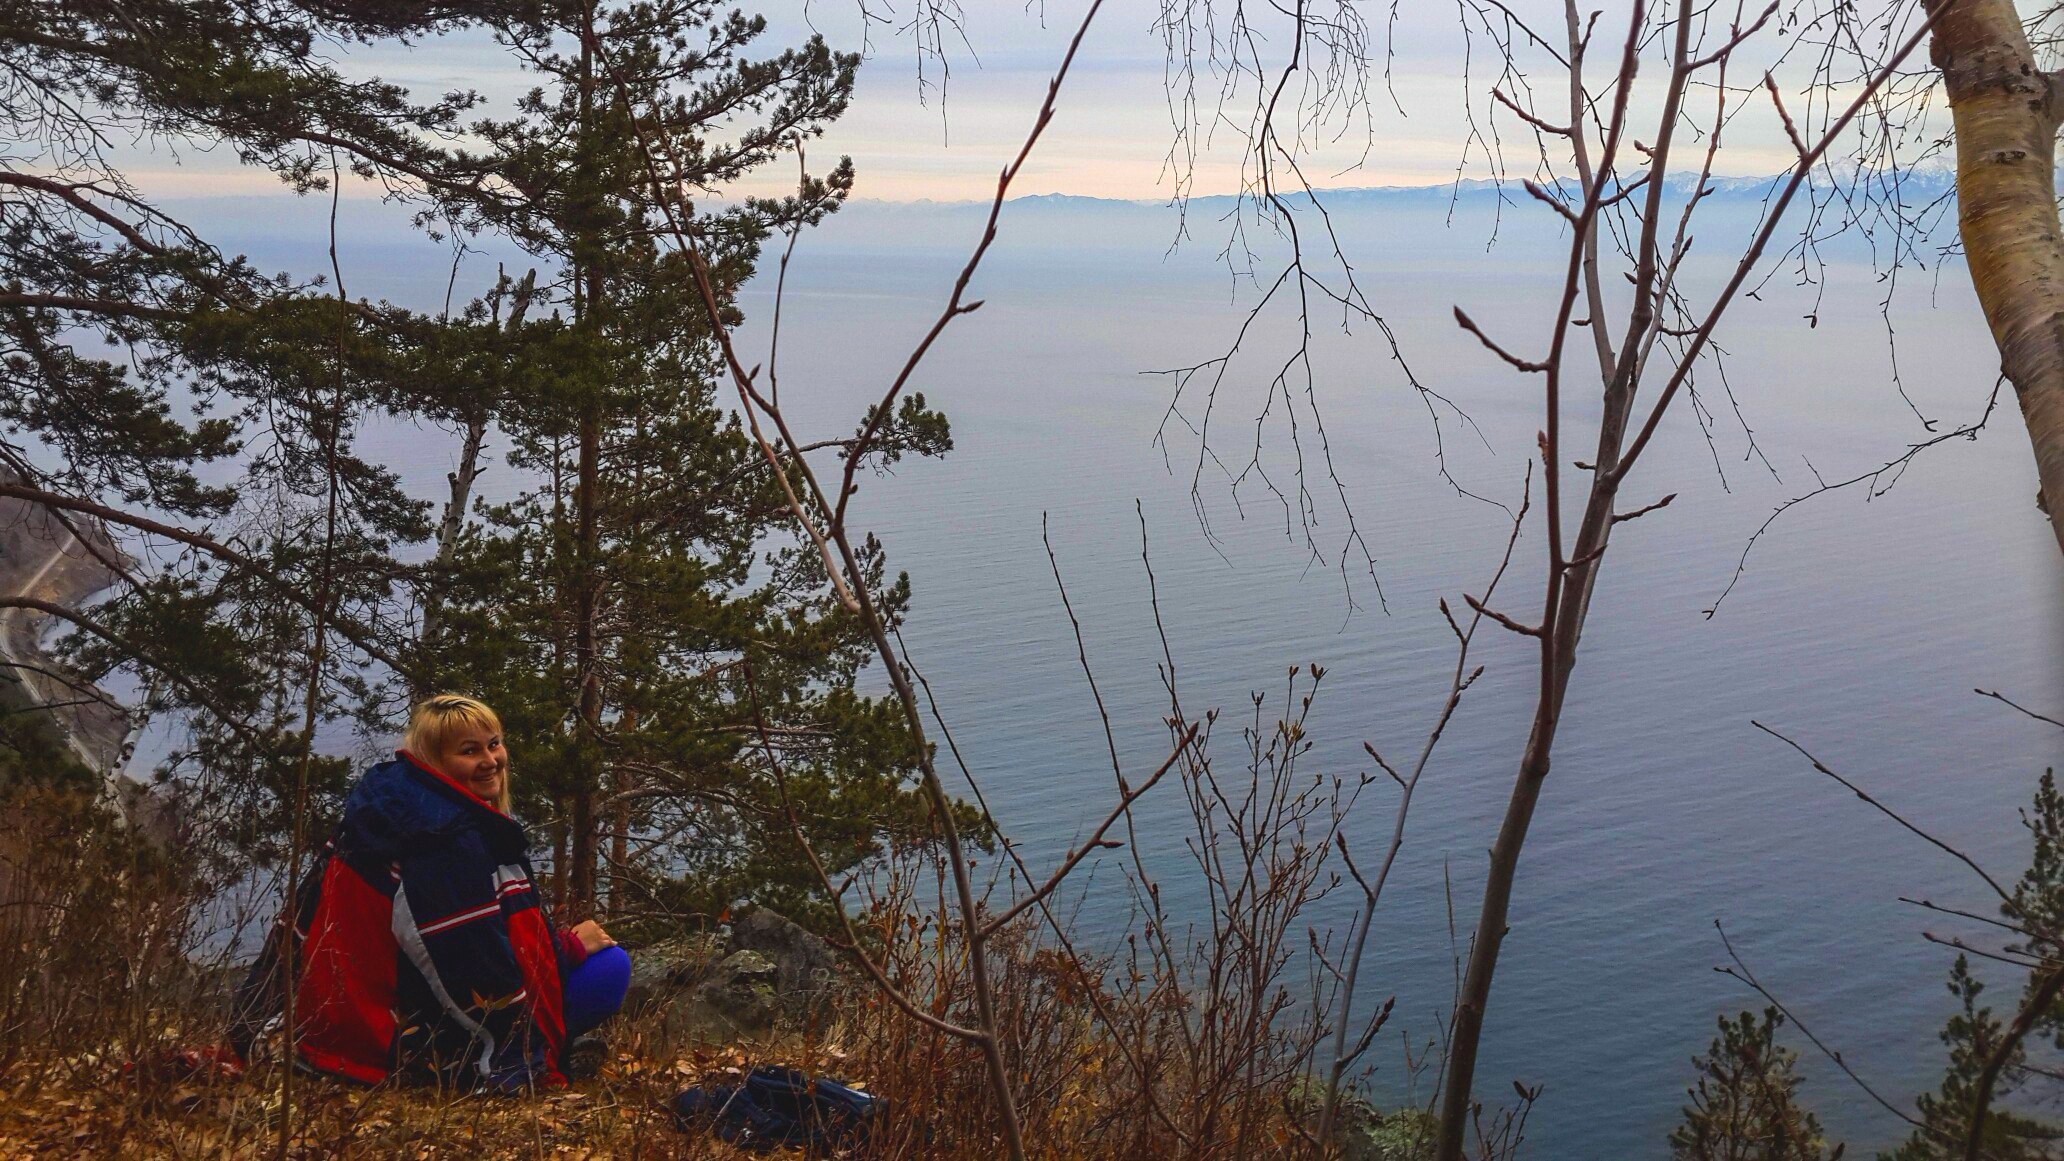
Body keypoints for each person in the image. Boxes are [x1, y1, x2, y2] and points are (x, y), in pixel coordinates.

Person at [232, 694, 631, 1091]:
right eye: (469, 751)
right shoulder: (443, 840)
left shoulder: (396, 807)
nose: (491, 760)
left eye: (494, 744)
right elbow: (472, 966)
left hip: (350, 1013)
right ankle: (518, 1059)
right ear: (433, 760)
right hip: (402, 1036)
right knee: (609, 969)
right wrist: (568, 954)